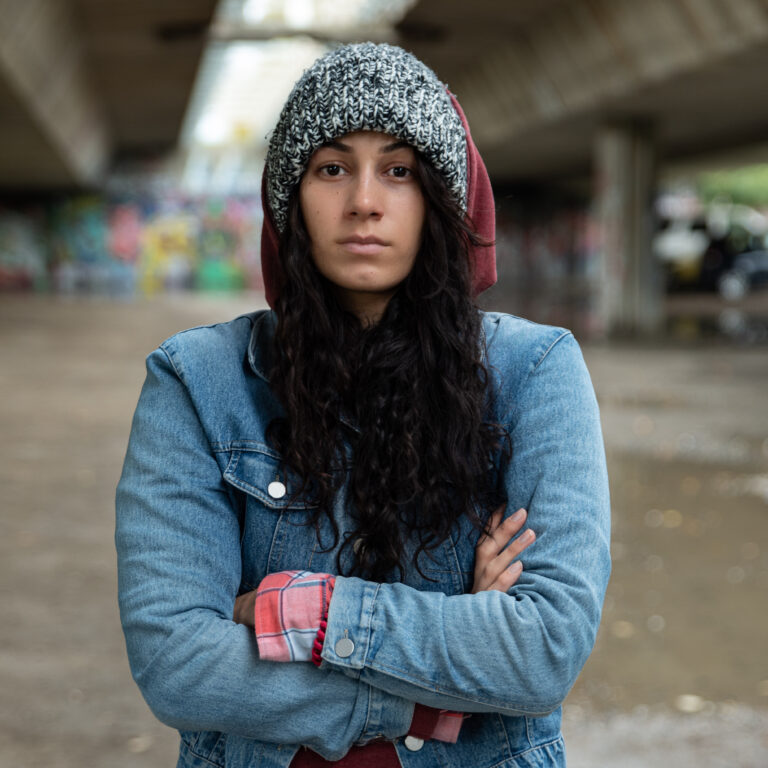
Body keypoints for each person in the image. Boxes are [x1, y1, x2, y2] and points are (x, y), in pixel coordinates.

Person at [116, 42, 611, 768]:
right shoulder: (198, 382)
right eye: (332, 168)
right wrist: (430, 688)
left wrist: (303, 612)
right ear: (292, 198)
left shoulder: (534, 371)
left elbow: (544, 651)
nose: (365, 203)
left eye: (401, 170)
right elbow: (178, 664)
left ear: (441, 198)